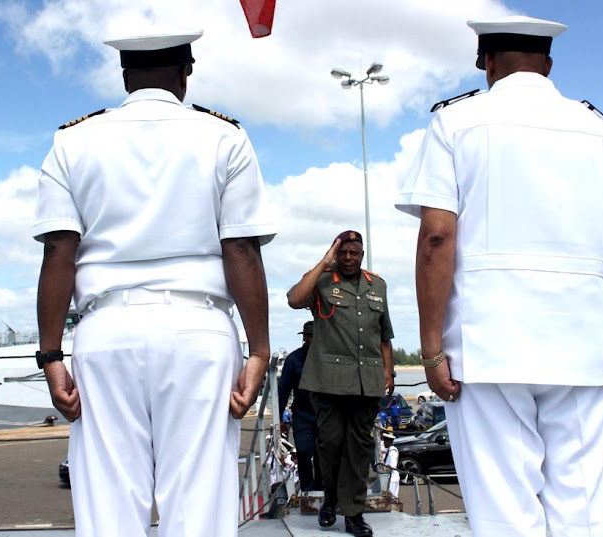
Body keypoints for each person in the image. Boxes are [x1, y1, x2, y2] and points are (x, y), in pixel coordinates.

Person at [396, 15, 603, 537]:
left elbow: (438, 237)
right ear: (549, 66)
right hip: (582, 346)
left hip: (491, 346)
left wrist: (430, 348)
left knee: (505, 514)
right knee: (583, 511)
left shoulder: (457, 122)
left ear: (486, 63)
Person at [33, 30, 275, 537]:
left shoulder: (73, 140)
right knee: (199, 501)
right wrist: (258, 349)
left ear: (124, 77)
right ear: (186, 72)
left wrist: (51, 356)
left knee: (108, 500)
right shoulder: (224, 136)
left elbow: (59, 251)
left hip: (106, 331)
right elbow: (241, 249)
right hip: (199, 329)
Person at [287, 230, 395, 537]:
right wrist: (324, 262)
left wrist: (389, 371)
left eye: (354, 253)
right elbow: (295, 299)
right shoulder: (322, 281)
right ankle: (331, 497)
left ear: (362, 255)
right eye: (343, 252)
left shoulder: (378, 285)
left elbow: (384, 334)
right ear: (337, 253)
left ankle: (353, 514)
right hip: (328, 382)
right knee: (330, 443)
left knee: (359, 449)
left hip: (367, 382)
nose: (349, 258)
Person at [277, 320, 322, 491]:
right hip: (302, 414)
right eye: (309, 336)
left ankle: (322, 490)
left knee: (323, 455)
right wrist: (279, 418)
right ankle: (307, 489)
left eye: (315, 336)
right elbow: (283, 390)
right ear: (305, 338)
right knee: (303, 452)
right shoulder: (293, 359)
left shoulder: (327, 359)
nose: (312, 340)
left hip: (325, 414)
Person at [381, 432, 400, 499]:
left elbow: (392, 465)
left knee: (392, 497)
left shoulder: (392, 451)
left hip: (393, 477)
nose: (383, 443)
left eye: (385, 441)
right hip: (392, 477)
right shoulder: (390, 449)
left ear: (388, 441)